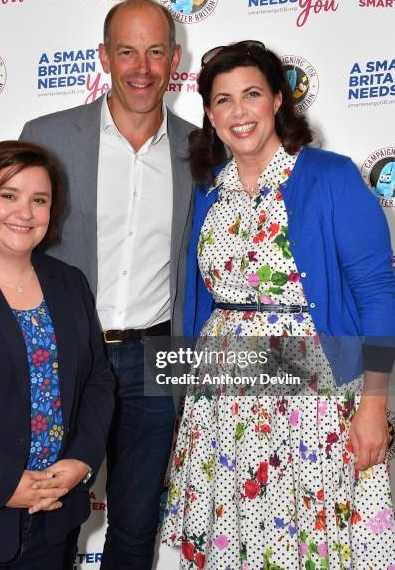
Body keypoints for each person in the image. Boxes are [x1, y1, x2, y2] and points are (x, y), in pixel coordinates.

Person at [161, 42, 395, 568]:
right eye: (222, 100)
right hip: (222, 398)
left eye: (251, 95)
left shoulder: (331, 176)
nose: (238, 112)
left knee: (314, 542)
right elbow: (199, 301)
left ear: (277, 101)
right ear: (209, 114)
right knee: (234, 541)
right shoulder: (208, 188)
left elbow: (378, 292)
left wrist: (374, 402)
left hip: (314, 398)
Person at [20, 0, 195, 569]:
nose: (140, 68)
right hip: (69, 352)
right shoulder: (47, 138)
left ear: (173, 59)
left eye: (153, 51)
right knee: (51, 512)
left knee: (137, 521)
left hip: (158, 354)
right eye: (126, 51)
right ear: (103, 57)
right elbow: (13, 227)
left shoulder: (203, 150)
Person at [0, 140, 114, 569]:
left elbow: (99, 381)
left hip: (53, 518)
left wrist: (82, 460)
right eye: (8, 195)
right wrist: (4, 484)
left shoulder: (69, 283)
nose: (25, 212)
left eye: (39, 200)